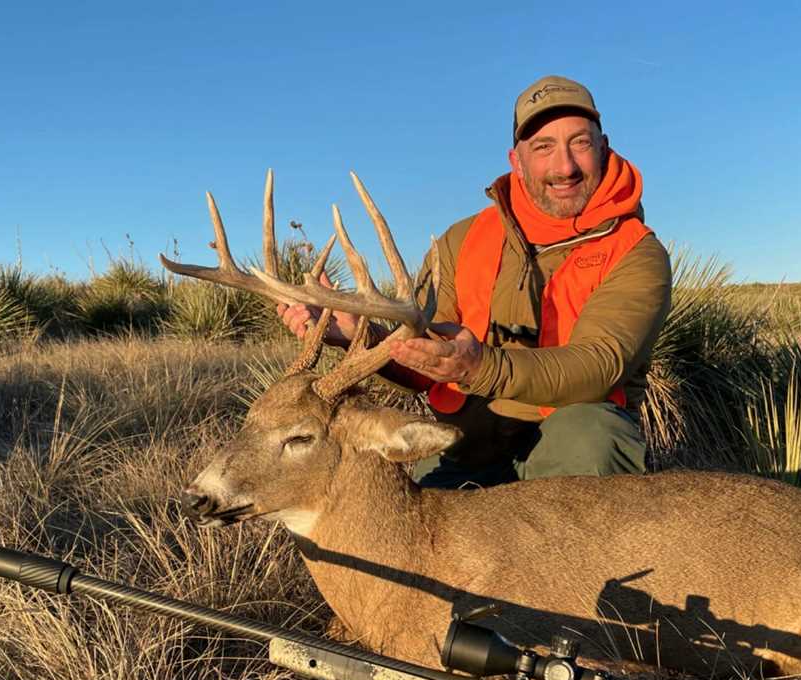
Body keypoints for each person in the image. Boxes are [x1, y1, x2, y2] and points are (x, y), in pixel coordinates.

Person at [279, 75, 672, 488]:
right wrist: (363, 334)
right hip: (472, 444)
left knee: (589, 437)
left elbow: (598, 365)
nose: (564, 167)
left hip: (572, 445)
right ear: (515, 160)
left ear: (604, 148)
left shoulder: (635, 252)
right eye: (543, 147)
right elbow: (429, 362)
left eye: (580, 143)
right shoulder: (463, 240)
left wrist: (481, 366)